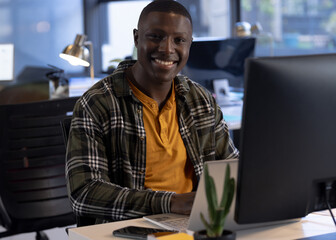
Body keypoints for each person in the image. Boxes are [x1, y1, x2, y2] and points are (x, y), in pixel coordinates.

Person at [66, 0, 239, 227]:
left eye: (179, 40)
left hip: (196, 226)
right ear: (137, 38)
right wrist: (170, 202)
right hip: (133, 228)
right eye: (156, 36)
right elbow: (84, 193)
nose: (167, 48)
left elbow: (232, 171)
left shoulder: (202, 101)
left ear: (189, 45)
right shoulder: (97, 103)